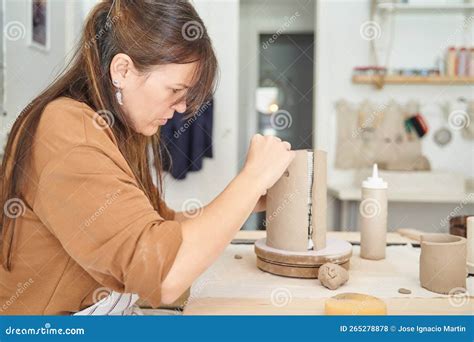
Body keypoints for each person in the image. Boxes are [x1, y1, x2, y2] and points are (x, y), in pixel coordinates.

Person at [0, 0, 294, 315]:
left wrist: (248, 199)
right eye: (175, 91)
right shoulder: (68, 133)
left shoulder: (117, 130)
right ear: (122, 70)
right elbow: (165, 274)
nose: (182, 108)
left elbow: (162, 227)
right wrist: (250, 180)